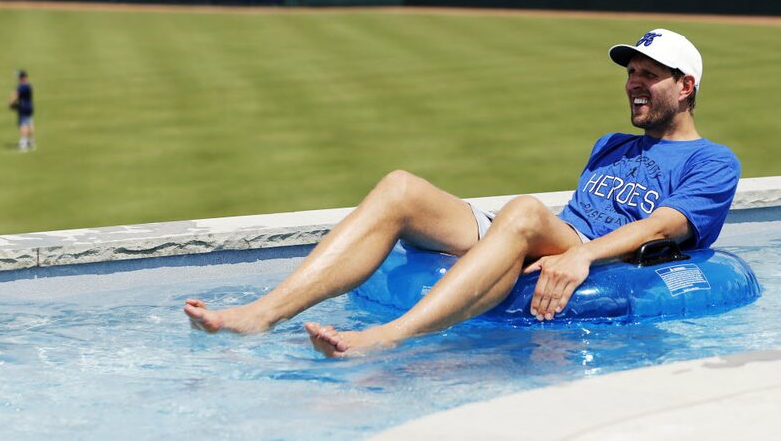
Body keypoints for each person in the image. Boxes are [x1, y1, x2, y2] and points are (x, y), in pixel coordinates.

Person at [184, 28, 740, 358]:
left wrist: (581, 254)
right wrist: (557, 243)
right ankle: (262, 313)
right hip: (547, 237)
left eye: (650, 74)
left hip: (587, 252)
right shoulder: (612, 143)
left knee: (523, 210)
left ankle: (386, 337)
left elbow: (666, 225)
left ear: (686, 86)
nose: (634, 83)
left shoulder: (712, 160)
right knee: (401, 186)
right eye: (631, 72)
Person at [8, 70, 35, 152]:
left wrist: (10, 103)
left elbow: (16, 95)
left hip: (22, 107)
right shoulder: (29, 85)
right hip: (30, 107)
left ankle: (23, 144)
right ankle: (31, 142)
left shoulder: (21, 86)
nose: (18, 79)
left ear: (23, 77)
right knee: (30, 123)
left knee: (23, 125)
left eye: (19, 77)